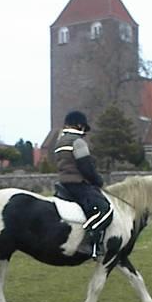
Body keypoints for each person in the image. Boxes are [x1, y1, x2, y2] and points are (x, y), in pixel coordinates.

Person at [54, 110, 113, 258]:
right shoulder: (77, 142)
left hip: (64, 184)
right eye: (83, 128)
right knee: (105, 209)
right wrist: (98, 181)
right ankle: (87, 241)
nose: (84, 132)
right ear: (79, 125)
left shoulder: (60, 141)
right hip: (78, 184)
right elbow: (85, 167)